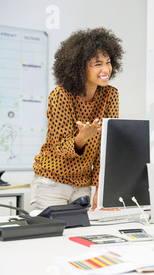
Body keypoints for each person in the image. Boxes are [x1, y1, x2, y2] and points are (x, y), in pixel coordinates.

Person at [31, 27, 124, 211]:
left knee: (81, 235)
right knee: (51, 237)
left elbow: (105, 148)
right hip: (52, 182)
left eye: (108, 62)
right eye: (97, 64)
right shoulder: (61, 95)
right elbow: (60, 147)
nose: (106, 69)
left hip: (82, 185)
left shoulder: (110, 95)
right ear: (80, 66)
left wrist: (100, 190)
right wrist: (82, 138)